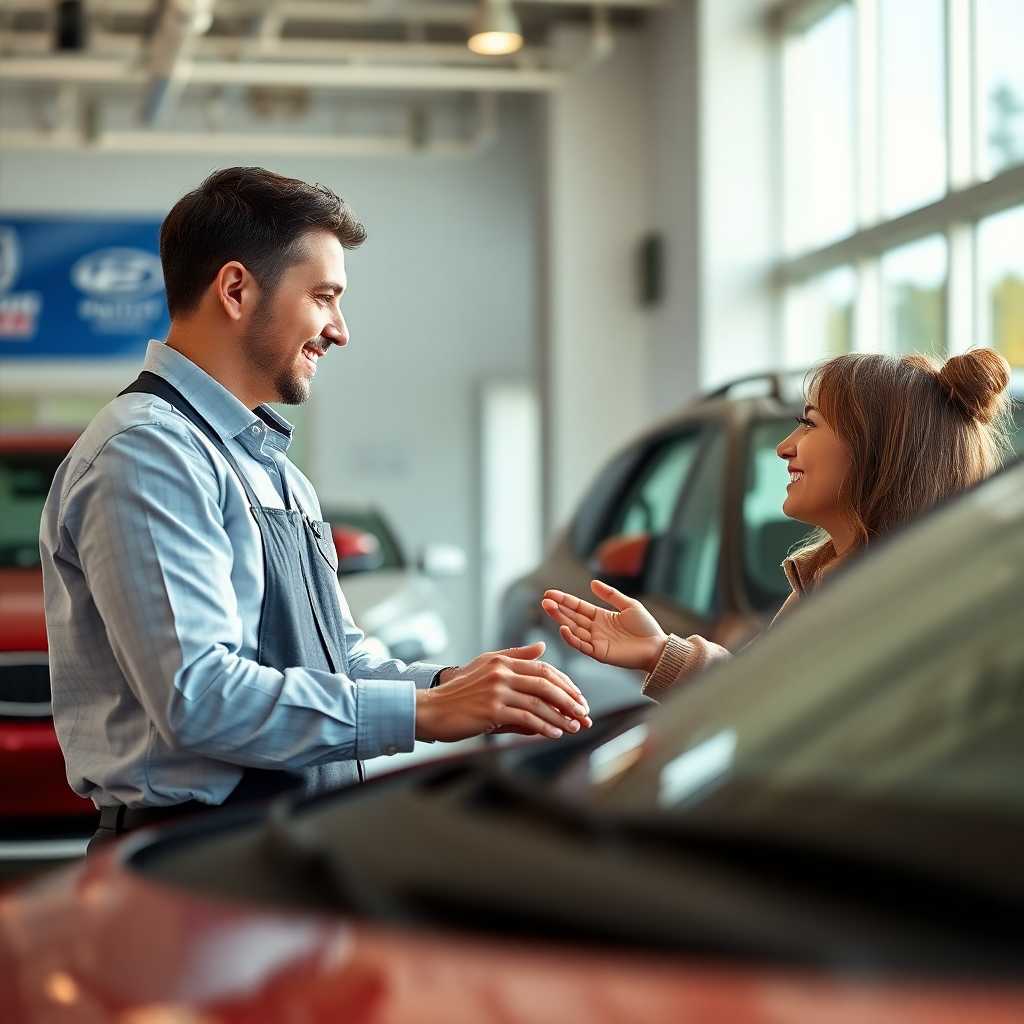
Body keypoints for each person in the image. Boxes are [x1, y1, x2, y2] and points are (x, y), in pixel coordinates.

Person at [40, 167, 591, 851]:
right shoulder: (149, 452)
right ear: (236, 289)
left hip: (274, 841)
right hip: (191, 857)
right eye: (325, 297)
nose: (340, 330)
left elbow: (338, 656)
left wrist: (457, 684)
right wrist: (426, 711)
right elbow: (200, 696)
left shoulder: (267, 465)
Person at [542, 348, 1013, 699]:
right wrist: (661, 651)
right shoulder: (833, 581)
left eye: (809, 424)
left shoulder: (905, 608)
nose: (785, 447)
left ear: (875, 450)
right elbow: (764, 698)